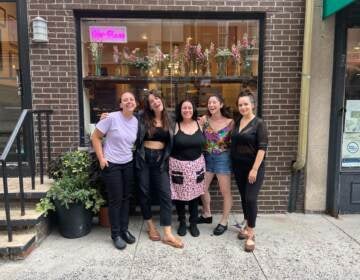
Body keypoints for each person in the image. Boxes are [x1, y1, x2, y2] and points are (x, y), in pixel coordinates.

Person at [136, 90, 184, 248]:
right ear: (149, 106)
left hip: (161, 160)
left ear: (161, 99)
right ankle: (150, 225)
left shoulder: (171, 118)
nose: (155, 102)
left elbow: (188, 119)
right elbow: (125, 116)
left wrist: (204, 120)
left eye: (156, 98)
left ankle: (168, 233)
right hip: (144, 158)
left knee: (165, 194)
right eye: (151, 101)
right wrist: (107, 117)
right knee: (144, 192)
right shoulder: (142, 117)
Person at [92, 92, 138, 250]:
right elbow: (95, 137)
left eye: (131, 99)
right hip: (112, 164)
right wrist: (101, 158)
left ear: (135, 103)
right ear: (120, 104)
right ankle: (116, 234)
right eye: (125, 100)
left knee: (126, 199)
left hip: (128, 163)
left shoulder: (135, 121)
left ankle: (124, 230)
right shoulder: (111, 117)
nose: (129, 102)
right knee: (116, 200)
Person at [230, 90, 268, 252]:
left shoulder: (259, 123)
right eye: (240, 105)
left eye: (246, 104)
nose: (243, 107)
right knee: (244, 198)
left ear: (252, 105)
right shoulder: (238, 122)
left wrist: (254, 169)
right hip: (239, 167)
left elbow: (262, 148)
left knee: (251, 199)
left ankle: (251, 234)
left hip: (254, 168)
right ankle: (246, 224)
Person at [198, 94, 234, 236]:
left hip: (223, 158)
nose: (211, 105)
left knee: (225, 191)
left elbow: (236, 141)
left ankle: (224, 221)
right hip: (206, 157)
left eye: (214, 102)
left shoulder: (230, 122)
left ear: (221, 104)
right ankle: (207, 214)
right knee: (201, 188)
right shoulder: (204, 120)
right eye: (209, 103)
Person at [169, 99, 206, 237]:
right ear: (180, 110)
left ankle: (194, 223)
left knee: (195, 196)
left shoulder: (200, 123)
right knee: (179, 196)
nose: (187, 110)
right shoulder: (175, 125)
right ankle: (183, 222)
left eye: (189, 108)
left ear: (193, 109)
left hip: (197, 165)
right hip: (178, 165)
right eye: (184, 108)